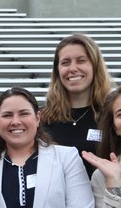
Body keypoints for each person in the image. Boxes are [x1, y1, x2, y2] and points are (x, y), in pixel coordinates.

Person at [41, 33, 114, 177]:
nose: (72, 68)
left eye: (81, 61)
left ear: (95, 66)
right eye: (65, 62)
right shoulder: (42, 119)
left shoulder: (112, 115)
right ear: (57, 70)